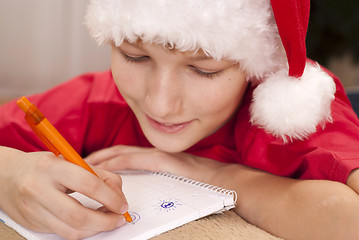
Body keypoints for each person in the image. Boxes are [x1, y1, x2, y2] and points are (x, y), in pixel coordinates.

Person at [1, 0, 359, 239]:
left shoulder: (295, 111)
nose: (160, 103)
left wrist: (212, 175)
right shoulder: (100, 101)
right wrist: (10, 173)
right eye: (134, 56)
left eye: (204, 70)